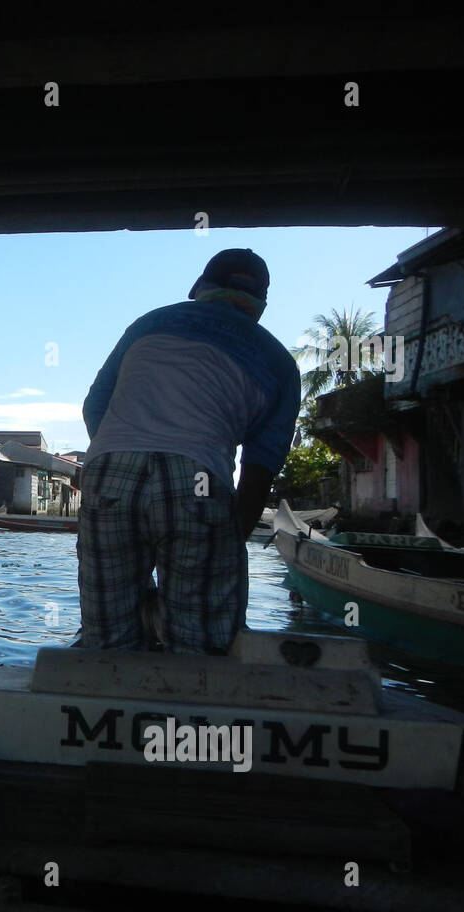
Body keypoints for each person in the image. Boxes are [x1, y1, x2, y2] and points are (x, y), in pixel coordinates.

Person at [77, 248, 301, 654]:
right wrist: (227, 548)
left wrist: (119, 459)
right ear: (261, 305)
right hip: (197, 478)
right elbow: (259, 468)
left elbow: (95, 407)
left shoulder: (150, 324)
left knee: (108, 639)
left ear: (199, 288)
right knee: (201, 646)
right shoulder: (280, 362)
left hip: (109, 468)